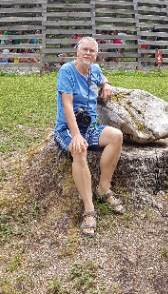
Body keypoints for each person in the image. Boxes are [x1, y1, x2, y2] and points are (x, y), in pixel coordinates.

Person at [54, 36, 124, 238]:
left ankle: (103, 189)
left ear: (96, 55)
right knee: (79, 149)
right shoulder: (67, 71)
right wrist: (76, 135)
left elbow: (102, 77)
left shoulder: (95, 70)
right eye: (84, 49)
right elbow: (67, 105)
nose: (87, 53)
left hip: (91, 127)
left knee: (116, 136)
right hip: (67, 128)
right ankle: (89, 208)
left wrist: (107, 84)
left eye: (92, 51)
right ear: (77, 51)